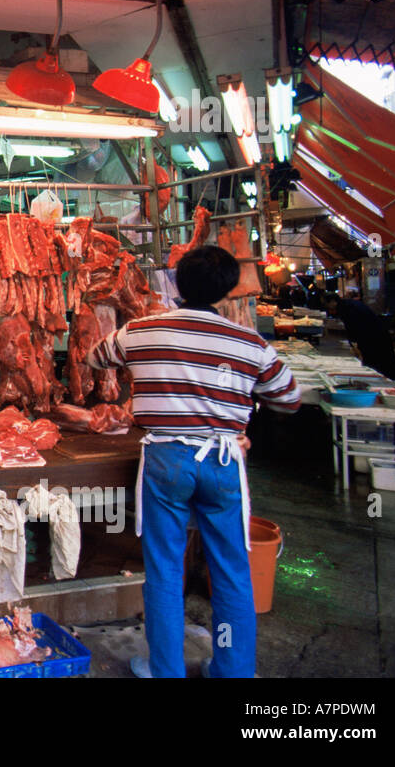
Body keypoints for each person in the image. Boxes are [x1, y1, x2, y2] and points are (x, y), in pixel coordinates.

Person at [87, 246, 301, 678]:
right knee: (231, 572)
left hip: (167, 459)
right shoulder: (250, 343)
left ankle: (165, 669)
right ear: (226, 289)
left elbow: (94, 357)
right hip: (223, 460)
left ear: (178, 283)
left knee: (164, 570)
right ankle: (232, 670)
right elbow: (290, 399)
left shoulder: (141, 330)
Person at [324, 291, 395, 381]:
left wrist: (355, 344)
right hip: (375, 337)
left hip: (374, 339)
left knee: (379, 367)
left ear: (333, 301)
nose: (327, 307)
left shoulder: (346, 308)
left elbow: (355, 327)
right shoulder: (348, 304)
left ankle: (389, 387)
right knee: (383, 365)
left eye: (327, 304)